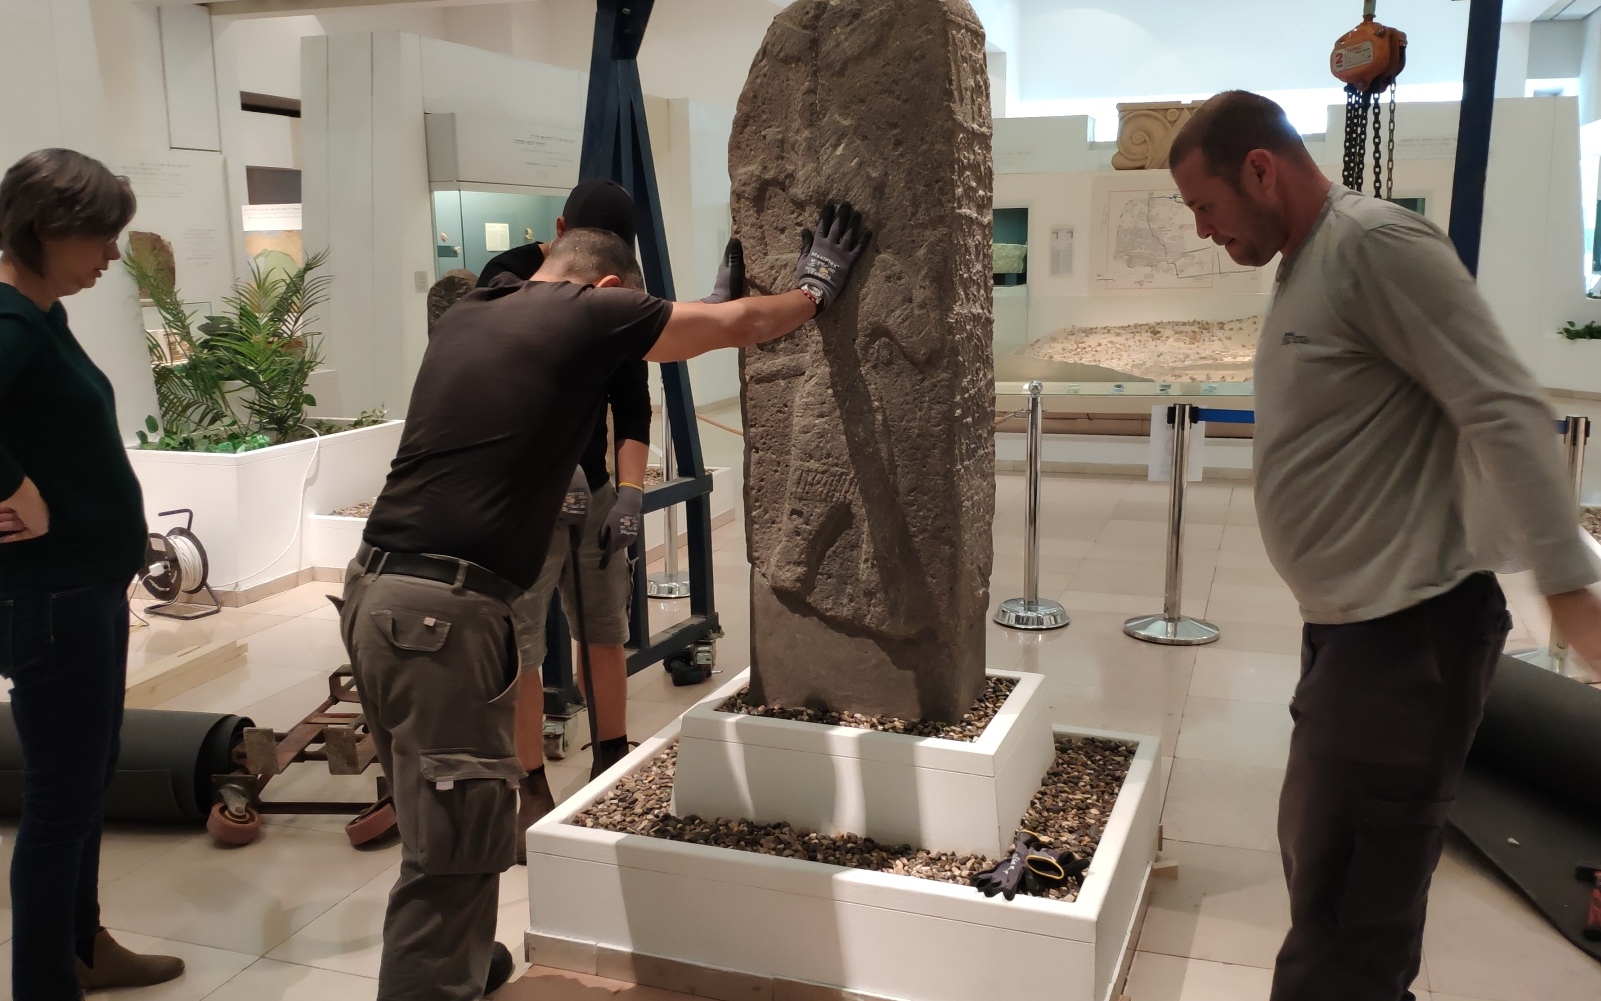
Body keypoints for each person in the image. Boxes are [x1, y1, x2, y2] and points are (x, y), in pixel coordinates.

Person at [341, 202, 871, 1001]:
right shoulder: (588, 314)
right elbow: (746, 322)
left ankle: (452, 963)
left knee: (443, 813)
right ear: (611, 285)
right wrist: (814, 291)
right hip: (441, 614)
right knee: (455, 834)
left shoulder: (477, 308)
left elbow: (647, 343)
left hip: (377, 593)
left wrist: (695, 309)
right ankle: (428, 985)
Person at [1167, 91, 1601, 1001]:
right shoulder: (1306, 263)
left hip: (1406, 642)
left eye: (1204, 206)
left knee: (1346, 932)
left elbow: (1502, 402)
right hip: (1353, 633)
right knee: (1331, 887)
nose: (1202, 230)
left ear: (1260, 169)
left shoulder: (1373, 246)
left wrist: (1568, 587)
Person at [0, 149, 186, 1000]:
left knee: (85, 776)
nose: (112, 255)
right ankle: (47, 981)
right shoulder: (8, 320)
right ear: (43, 228)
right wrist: (14, 487)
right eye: (100, 236)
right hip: (51, 594)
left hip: (82, 589)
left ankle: (83, 943)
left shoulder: (41, 314)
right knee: (61, 796)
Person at [464, 180, 655, 856]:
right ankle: (530, 787)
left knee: (604, 626)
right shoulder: (504, 279)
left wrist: (627, 491)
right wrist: (550, 456)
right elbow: (492, 387)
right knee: (521, 645)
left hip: (594, 491)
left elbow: (632, 402)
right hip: (523, 491)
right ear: (557, 229)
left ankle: (612, 760)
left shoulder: (616, 290)